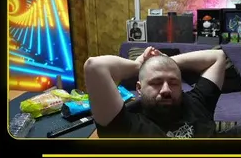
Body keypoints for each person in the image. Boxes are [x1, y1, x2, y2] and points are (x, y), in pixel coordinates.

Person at [84, 46, 228, 138]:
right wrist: (138, 65)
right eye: (156, 83)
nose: (166, 90)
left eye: (173, 83)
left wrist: (166, 61)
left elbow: (218, 56)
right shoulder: (125, 125)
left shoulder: (197, 102)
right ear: (139, 88)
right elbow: (95, 66)